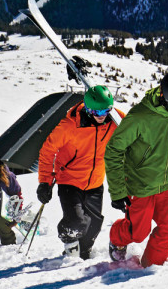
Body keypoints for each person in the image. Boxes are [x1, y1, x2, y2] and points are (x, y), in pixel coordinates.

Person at [104, 71, 168, 266]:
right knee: (138, 232)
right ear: (163, 97)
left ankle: (149, 269)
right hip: (141, 184)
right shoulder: (140, 117)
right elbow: (114, 150)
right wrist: (118, 191)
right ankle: (116, 237)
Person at [36, 85, 124, 259]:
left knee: (94, 227)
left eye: (106, 110)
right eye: (97, 112)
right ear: (88, 109)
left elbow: (135, 128)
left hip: (96, 182)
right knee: (76, 222)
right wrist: (44, 181)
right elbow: (47, 150)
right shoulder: (69, 126)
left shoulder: (115, 120)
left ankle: (83, 254)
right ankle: (68, 242)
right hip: (70, 180)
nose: (102, 116)